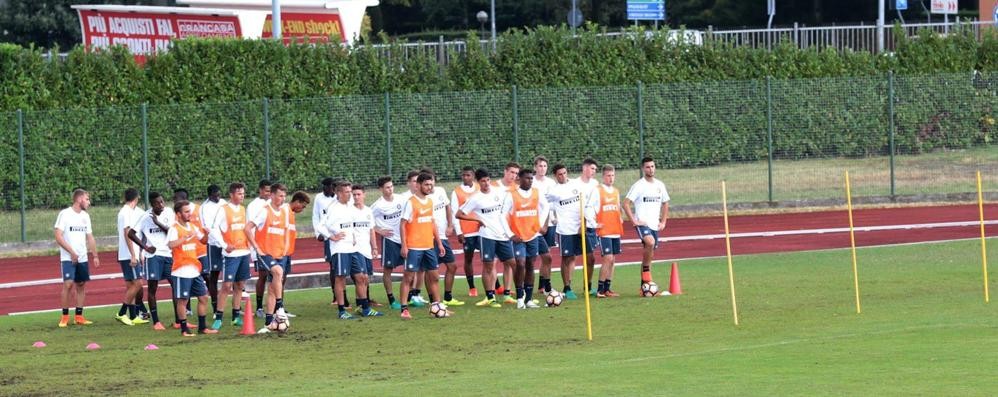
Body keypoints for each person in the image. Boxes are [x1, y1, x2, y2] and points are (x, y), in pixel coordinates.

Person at [317, 181, 378, 319]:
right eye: (347, 192)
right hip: (340, 249)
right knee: (340, 279)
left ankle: (365, 308)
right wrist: (331, 237)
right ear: (339, 193)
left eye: (351, 191)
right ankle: (342, 310)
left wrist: (354, 236)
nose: (350, 194)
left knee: (361, 276)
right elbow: (320, 226)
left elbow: (351, 225)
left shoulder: (350, 206)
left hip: (353, 248)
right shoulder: (332, 207)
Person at [456, 169, 515, 309]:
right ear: (478, 182)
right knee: (488, 266)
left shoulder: (499, 192)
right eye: (483, 181)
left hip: (503, 235)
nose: (486, 183)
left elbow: (510, 207)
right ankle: (490, 297)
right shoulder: (475, 198)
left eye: (488, 180)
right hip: (487, 236)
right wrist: (475, 219)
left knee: (512, 263)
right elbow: (459, 214)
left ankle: (507, 294)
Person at [399, 172, 448, 319]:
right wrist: (404, 245)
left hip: (428, 246)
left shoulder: (430, 201)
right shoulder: (411, 202)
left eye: (431, 184)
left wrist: (439, 242)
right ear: (419, 185)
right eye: (426, 184)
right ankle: (404, 309)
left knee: (434, 277)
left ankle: (437, 306)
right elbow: (402, 225)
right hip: (414, 246)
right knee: (408, 277)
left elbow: (432, 223)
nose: (429, 187)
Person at [166, 200, 219, 336]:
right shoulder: (174, 228)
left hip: (194, 270)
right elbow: (171, 245)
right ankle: (184, 329)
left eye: (190, 211)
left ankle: (202, 327)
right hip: (181, 270)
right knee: (183, 301)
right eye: (186, 211)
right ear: (178, 214)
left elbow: (203, 241)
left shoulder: (193, 227)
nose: (190, 214)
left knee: (203, 297)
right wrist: (184, 238)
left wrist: (206, 234)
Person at [248, 184, 296, 332]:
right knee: (278, 272)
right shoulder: (264, 212)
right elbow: (247, 228)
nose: (282, 199)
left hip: (279, 253)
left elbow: (286, 231)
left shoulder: (285, 212)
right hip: (265, 253)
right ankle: (280, 307)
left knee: (272, 288)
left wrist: (286, 248)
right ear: (272, 196)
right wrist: (257, 248)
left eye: (284, 196)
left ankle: (268, 323)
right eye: (280, 196)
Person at [127, 192, 177, 330]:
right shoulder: (145, 217)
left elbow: (172, 232)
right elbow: (130, 233)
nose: (161, 205)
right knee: (153, 288)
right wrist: (145, 247)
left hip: (168, 254)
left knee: (175, 284)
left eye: (162, 202)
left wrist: (157, 222)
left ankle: (179, 320)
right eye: (157, 203)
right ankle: (156, 322)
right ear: (152, 204)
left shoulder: (168, 213)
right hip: (153, 257)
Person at [623, 157, 671, 296]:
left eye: (652, 166)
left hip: (654, 225)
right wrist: (634, 220)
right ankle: (646, 273)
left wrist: (663, 221)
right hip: (642, 224)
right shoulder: (639, 185)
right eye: (648, 167)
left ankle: (643, 286)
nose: (651, 169)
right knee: (650, 242)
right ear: (643, 169)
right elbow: (625, 203)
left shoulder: (660, 185)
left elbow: (666, 202)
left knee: (649, 254)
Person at [208, 182, 252, 330]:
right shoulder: (223, 210)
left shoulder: (243, 209)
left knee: (240, 285)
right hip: (230, 254)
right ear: (232, 195)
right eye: (239, 193)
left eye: (243, 193)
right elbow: (214, 229)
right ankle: (219, 317)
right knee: (226, 285)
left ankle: (235, 316)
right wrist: (224, 244)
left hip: (244, 252)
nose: (242, 196)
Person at [54, 188, 100, 327]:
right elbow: (58, 236)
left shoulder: (85, 216)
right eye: (87, 199)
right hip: (68, 257)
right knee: (68, 284)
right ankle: (64, 317)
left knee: (81, 285)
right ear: (79, 199)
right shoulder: (65, 214)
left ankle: (79, 316)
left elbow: (90, 237)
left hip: (82, 257)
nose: (89, 202)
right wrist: (71, 252)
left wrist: (95, 255)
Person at [508, 168, 549, 309]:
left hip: (533, 235)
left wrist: (540, 224)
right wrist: (510, 234)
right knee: (520, 263)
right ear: (519, 179)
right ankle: (520, 297)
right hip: (518, 236)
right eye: (527, 178)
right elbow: (502, 215)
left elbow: (546, 207)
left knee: (531, 265)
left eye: (531, 178)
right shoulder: (511, 195)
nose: (530, 181)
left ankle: (529, 299)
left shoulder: (537, 193)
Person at [425, 169, 463, 307]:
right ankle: (433, 300)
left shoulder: (440, 191)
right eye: (428, 183)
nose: (431, 185)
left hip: (443, 237)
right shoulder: (424, 199)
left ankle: (447, 297)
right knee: (430, 271)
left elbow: (448, 207)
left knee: (452, 266)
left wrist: (450, 225)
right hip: (430, 239)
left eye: (432, 181)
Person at [114, 188, 149, 326]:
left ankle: (133, 315)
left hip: (126, 253)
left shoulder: (128, 211)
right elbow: (127, 233)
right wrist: (133, 254)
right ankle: (121, 313)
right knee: (138, 283)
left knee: (131, 285)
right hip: (129, 254)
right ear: (137, 197)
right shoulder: (126, 212)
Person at [371, 176, 405, 310]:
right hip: (390, 240)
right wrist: (379, 231)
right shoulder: (377, 205)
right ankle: (391, 299)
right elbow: (367, 220)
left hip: (403, 239)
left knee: (411, 268)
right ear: (381, 189)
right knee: (388, 270)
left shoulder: (401, 199)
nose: (390, 189)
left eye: (391, 186)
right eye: (387, 187)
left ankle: (410, 296)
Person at [350, 184, 383, 316]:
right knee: (361, 277)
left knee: (366, 278)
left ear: (364, 195)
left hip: (366, 250)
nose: (356, 197)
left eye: (358, 194)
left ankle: (360, 304)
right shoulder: (349, 211)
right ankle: (365, 307)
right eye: (354, 195)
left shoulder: (368, 211)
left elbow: (371, 230)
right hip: (354, 249)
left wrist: (374, 247)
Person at [450, 167, 480, 297]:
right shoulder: (456, 192)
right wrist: (459, 232)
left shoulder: (479, 188)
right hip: (467, 232)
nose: (465, 177)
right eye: (463, 175)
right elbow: (454, 212)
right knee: (468, 259)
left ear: (473, 176)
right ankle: (472, 287)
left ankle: (496, 286)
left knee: (488, 259)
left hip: (481, 230)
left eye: (468, 175)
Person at [595, 165, 624, 298]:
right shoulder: (598, 190)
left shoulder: (616, 191)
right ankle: (600, 289)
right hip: (604, 230)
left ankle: (608, 288)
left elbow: (618, 207)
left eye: (612, 175)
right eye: (608, 175)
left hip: (615, 229)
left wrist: (620, 217)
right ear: (603, 176)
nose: (611, 178)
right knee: (607, 258)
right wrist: (594, 223)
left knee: (613, 260)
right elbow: (592, 208)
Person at [198, 184, 226, 315]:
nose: (218, 197)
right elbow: (207, 228)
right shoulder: (204, 208)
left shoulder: (223, 203)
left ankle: (235, 307)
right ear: (209, 196)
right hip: (214, 245)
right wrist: (220, 241)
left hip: (227, 244)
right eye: (215, 195)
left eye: (219, 194)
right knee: (213, 276)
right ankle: (215, 307)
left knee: (232, 277)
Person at [531, 156, 557, 294]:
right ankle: (527, 286)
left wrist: (555, 217)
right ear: (535, 167)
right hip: (535, 223)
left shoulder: (551, 183)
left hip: (550, 222)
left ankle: (543, 285)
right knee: (534, 256)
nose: (542, 168)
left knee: (546, 255)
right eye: (540, 166)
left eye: (545, 166)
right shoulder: (531, 181)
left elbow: (554, 201)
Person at [575, 158, 601, 296]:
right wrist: (581, 222)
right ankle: (567, 288)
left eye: (595, 170)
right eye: (592, 168)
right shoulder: (575, 184)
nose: (594, 172)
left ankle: (588, 286)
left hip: (591, 225)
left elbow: (596, 204)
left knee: (590, 258)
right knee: (571, 257)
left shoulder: (596, 184)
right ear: (584, 168)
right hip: (577, 226)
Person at [247, 180, 272, 317]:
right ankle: (259, 307)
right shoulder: (253, 206)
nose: (269, 194)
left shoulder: (273, 204)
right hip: (260, 247)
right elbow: (251, 227)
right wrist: (255, 247)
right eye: (267, 191)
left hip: (273, 246)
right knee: (263, 276)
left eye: (270, 191)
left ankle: (277, 306)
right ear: (261, 191)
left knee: (277, 277)